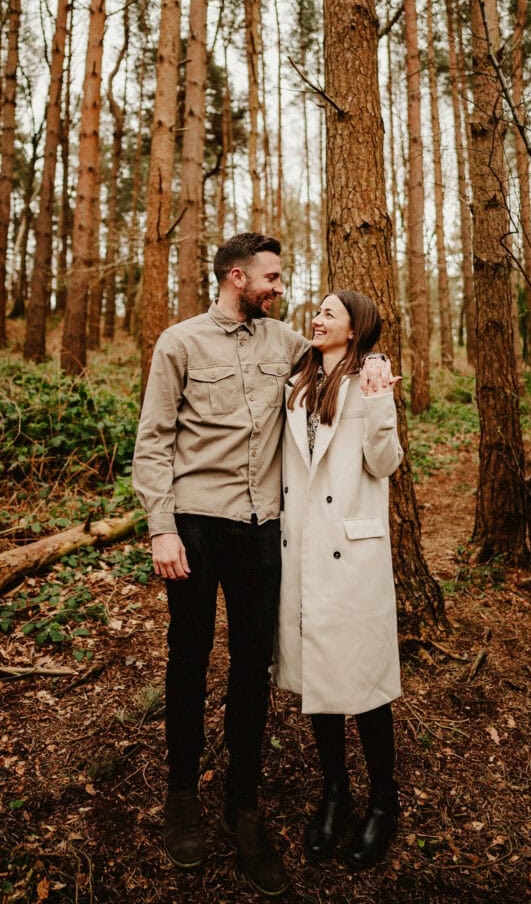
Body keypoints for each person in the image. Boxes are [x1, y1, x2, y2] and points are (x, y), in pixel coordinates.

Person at [132, 232, 308, 897]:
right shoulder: (178, 343)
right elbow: (152, 440)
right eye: (271, 276)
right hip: (196, 529)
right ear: (236, 277)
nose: (279, 285)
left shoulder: (286, 343)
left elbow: (337, 362)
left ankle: (243, 806)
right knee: (188, 656)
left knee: (251, 667)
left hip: (263, 531)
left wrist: (370, 368)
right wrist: (161, 530)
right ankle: (182, 796)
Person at [271, 290, 403, 870]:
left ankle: (383, 801)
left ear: (355, 329)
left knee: (366, 687)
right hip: (301, 551)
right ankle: (334, 792)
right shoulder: (295, 383)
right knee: (320, 683)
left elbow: (385, 463)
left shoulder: (369, 381)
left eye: (329, 313)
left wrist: (378, 407)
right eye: (316, 311)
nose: (316, 318)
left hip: (353, 554)